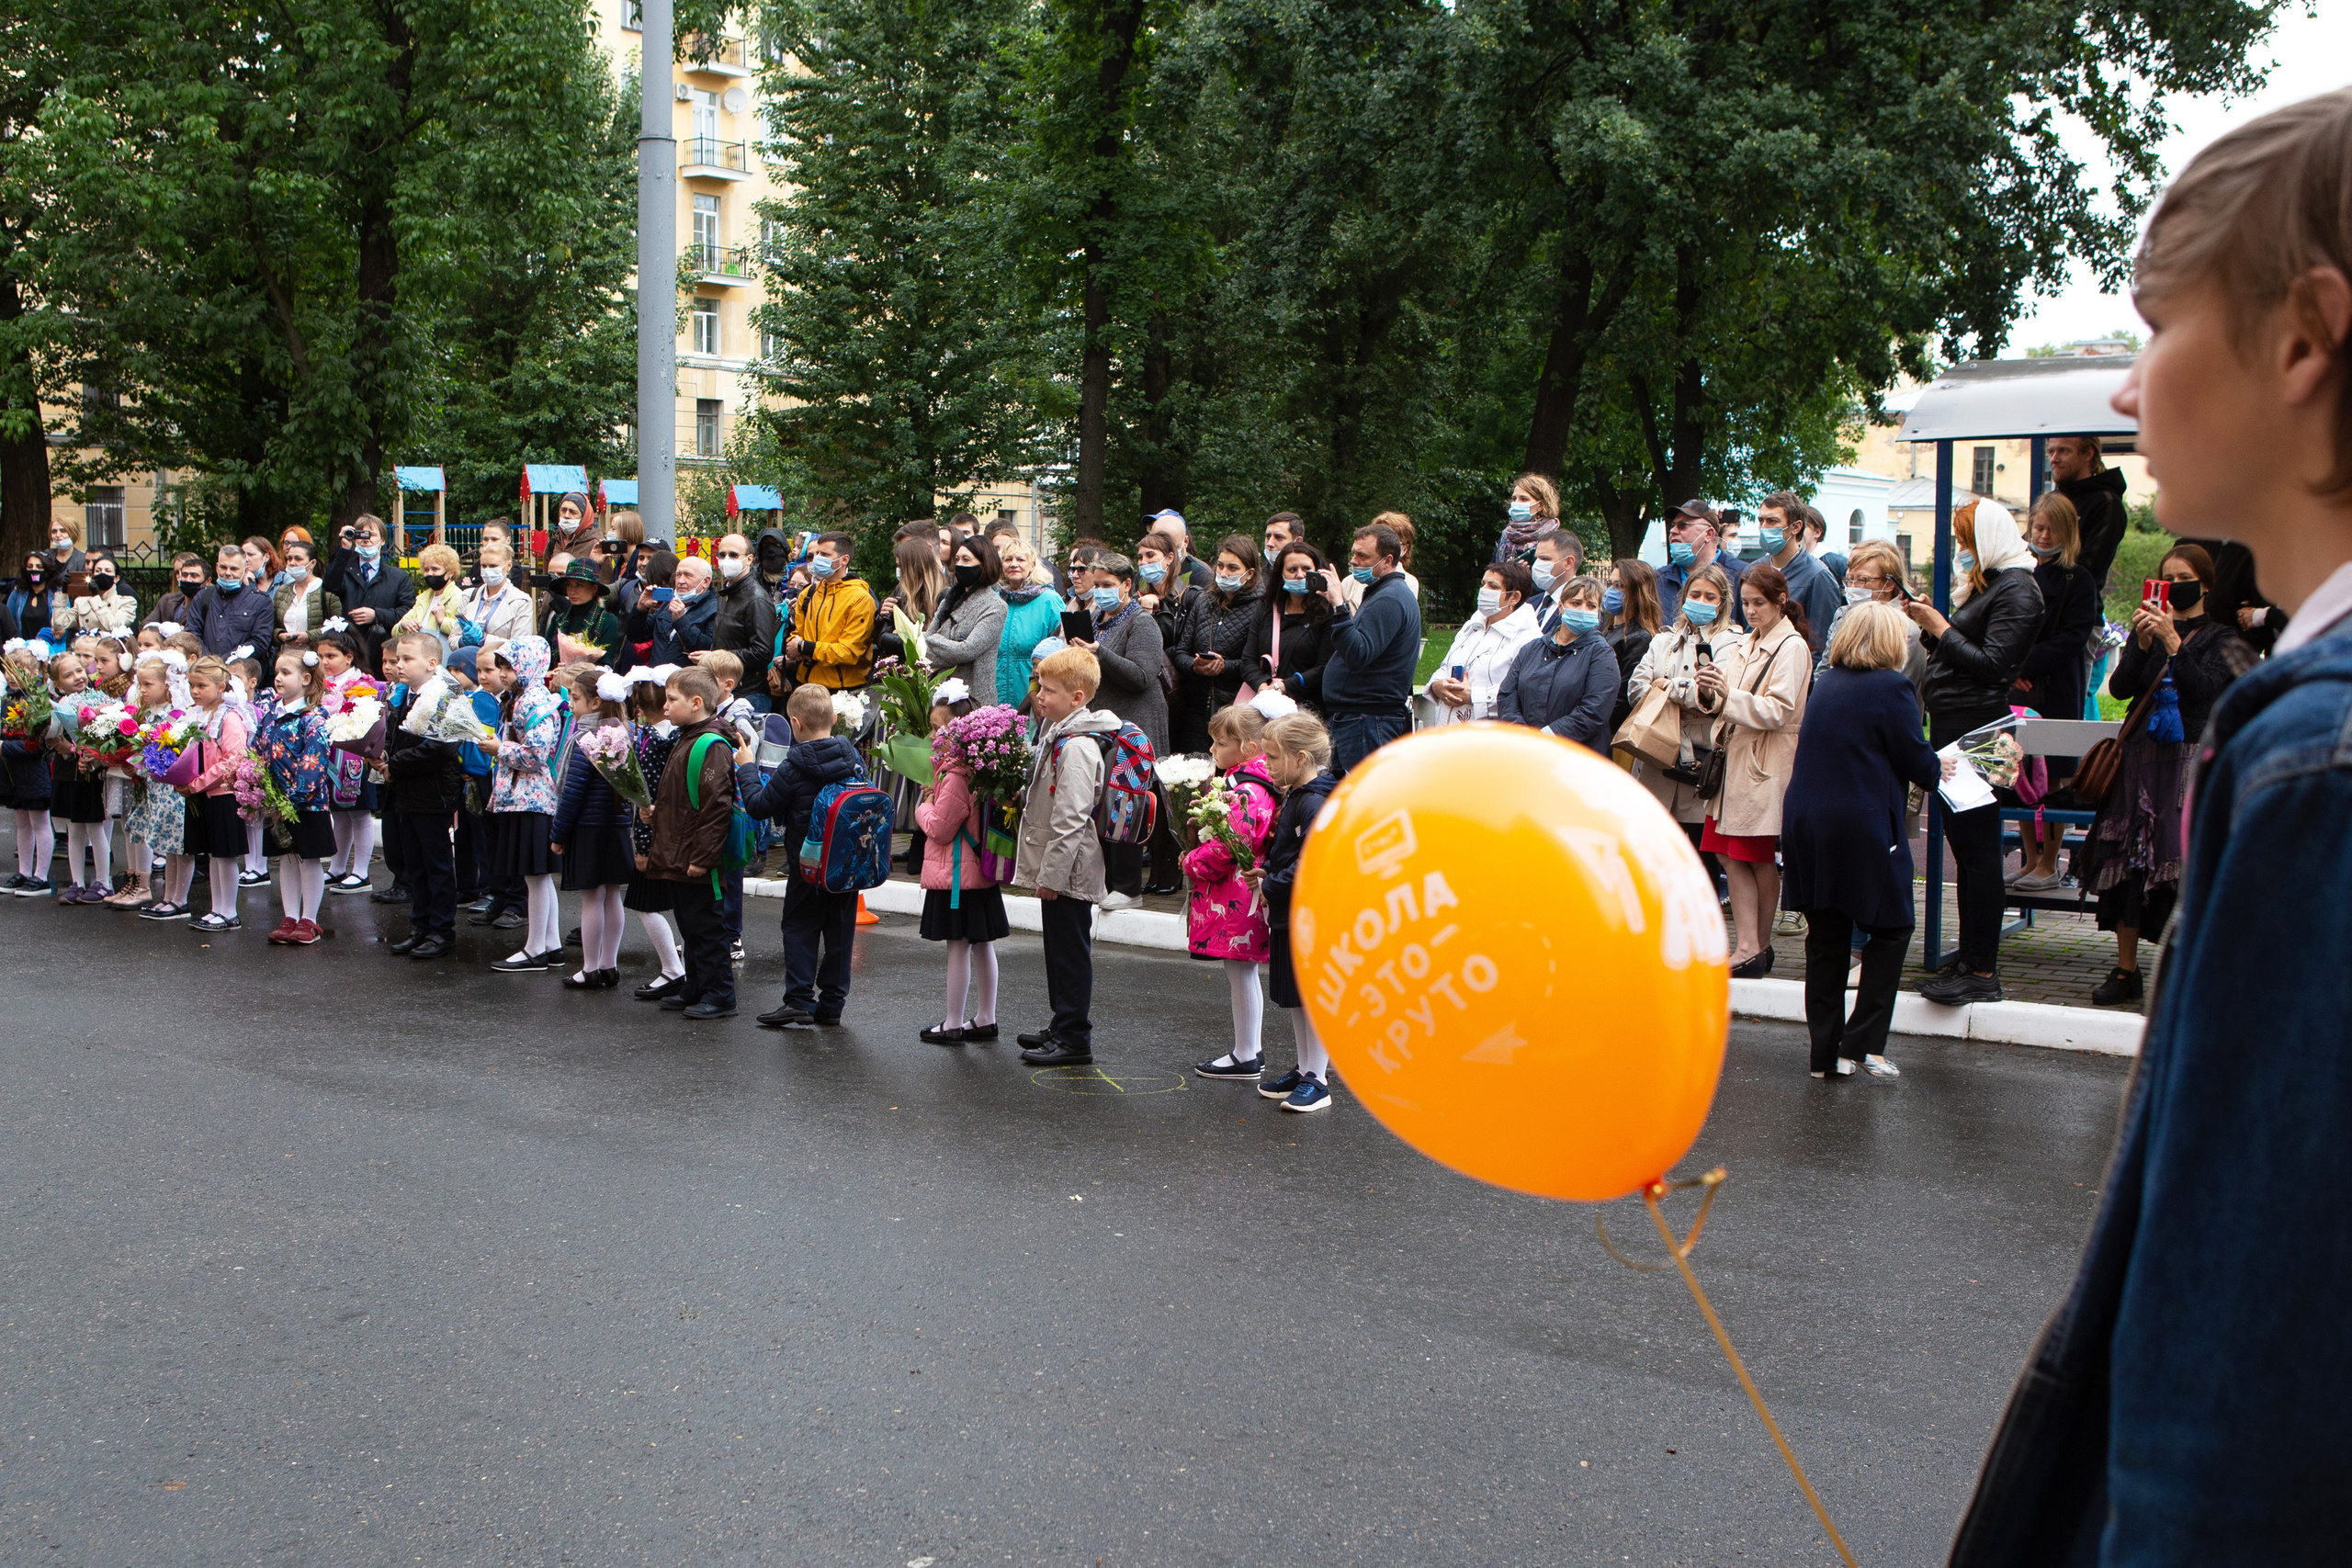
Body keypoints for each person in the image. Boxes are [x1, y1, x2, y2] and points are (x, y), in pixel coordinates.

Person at [1950, 88, 2352, 1562]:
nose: (2128, 393)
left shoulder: (2320, 756)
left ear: (2303, 337)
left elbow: (2249, 1331)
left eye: (2157, 326)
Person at [2077, 545, 2256, 1008]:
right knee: (2130, 863)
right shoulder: (2151, 632)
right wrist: (2141, 645)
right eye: (2167, 576)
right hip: (2141, 762)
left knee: (2183, 868)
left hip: (2188, 762)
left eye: (2184, 576)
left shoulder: (2221, 637)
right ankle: (2125, 969)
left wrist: (2175, 644)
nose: (2174, 584)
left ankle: (2188, 972)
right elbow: (2119, 689)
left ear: (2206, 585)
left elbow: (2206, 693)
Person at [1780, 603, 1944, 1077]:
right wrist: (1943, 765)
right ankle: (1862, 1040)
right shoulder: (1892, 687)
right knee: (1893, 927)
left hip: (1809, 823)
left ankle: (1823, 1055)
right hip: (1862, 824)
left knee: (1826, 938)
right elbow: (1919, 763)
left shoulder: (1826, 682)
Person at [1901, 497, 2041, 1005]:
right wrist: (1932, 628)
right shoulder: (1999, 585)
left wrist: (1941, 629)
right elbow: (1970, 652)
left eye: (1966, 542)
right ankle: (1970, 957)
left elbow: (1993, 665)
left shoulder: (2020, 590)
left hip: (1979, 731)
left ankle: (1982, 971)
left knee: (1979, 852)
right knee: (1966, 848)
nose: (1962, 552)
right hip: (1960, 725)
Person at [1695, 563, 1814, 976]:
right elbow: (1727, 699)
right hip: (1736, 763)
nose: (1751, 611)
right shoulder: (1748, 641)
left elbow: (1779, 710)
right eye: (1745, 603)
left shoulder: (1792, 647)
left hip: (1764, 762)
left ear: (1780, 601)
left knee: (1754, 855)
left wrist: (1726, 698)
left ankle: (1754, 946)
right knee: (1729, 854)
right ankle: (1751, 945)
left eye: (1758, 603)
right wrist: (1709, 691)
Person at [737, 682, 866, 1028]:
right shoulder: (853, 759)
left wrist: (747, 767)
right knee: (840, 931)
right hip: (845, 866)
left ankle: (798, 1000)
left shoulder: (794, 766)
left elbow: (760, 806)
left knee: (799, 927)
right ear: (835, 718)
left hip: (806, 865)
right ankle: (832, 1005)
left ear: (794, 723)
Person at [1013, 647, 1119, 1066]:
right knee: (1058, 949)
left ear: (1078, 697)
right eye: (1039, 685)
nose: (1040, 695)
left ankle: (1075, 1036)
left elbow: (1072, 817)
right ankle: (1062, 1023)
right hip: (1061, 866)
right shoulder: (1059, 731)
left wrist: (1052, 876)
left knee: (1070, 953)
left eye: (1050, 690)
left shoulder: (1076, 745)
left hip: (1069, 870)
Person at [2007, 493, 2102, 893]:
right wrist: (2011, 670)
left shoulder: (2078, 579)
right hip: (2019, 690)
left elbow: (2072, 638)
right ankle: (2030, 859)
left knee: (2056, 779)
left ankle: (2051, 861)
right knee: (2020, 773)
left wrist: (2025, 663)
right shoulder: (2018, 572)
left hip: (2057, 690)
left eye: (2051, 529)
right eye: (2038, 527)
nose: (2042, 536)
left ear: (2068, 533)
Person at [1247, 710, 1340, 1111]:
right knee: (1295, 997)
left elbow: (1314, 861)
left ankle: (1318, 1079)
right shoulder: (1300, 796)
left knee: (1311, 997)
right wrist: (1269, 871)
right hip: (1291, 910)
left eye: (1272, 757)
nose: (1266, 765)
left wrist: (1270, 883)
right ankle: (1305, 1069)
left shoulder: (1314, 801)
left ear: (1301, 758)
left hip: (1308, 914)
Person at [1185, 702, 1282, 1083]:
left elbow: (1231, 844)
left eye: (1220, 742)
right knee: (1241, 970)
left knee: (1241, 970)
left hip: (1240, 893)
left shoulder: (1246, 790)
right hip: (1244, 891)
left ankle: (1247, 1053)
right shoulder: (1253, 783)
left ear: (1247, 748)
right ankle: (1246, 1050)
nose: (1212, 750)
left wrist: (1192, 861)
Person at [641, 665, 740, 1020]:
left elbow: (716, 807)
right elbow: (684, 797)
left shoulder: (709, 744)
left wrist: (703, 857)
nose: (664, 706)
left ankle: (720, 995)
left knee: (707, 928)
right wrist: (657, 812)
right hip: (681, 852)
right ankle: (696, 986)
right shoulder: (688, 736)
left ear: (696, 702)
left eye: (671, 700)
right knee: (691, 927)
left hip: (696, 857)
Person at [912, 689, 1008, 1045]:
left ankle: (952, 1022)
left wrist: (923, 805)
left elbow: (940, 827)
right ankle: (985, 1017)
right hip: (978, 872)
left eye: (939, 728)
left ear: (958, 731)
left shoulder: (954, 775)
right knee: (982, 944)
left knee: (958, 945)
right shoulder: (977, 768)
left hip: (957, 875)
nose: (933, 736)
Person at [1072, 553, 1168, 906]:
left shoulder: (1141, 623)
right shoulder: (1095, 619)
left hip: (1134, 729)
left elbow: (1142, 676)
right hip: (1104, 725)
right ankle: (1105, 881)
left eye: (1107, 585)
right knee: (1101, 802)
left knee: (1125, 803)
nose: (1100, 592)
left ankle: (1128, 889)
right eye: (1096, 585)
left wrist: (1099, 654)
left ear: (1128, 585)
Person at [480, 637, 566, 973]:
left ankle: (535, 950)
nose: (502, 674)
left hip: (531, 798)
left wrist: (498, 748)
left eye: (507, 668)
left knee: (536, 876)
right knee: (537, 876)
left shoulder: (535, 702)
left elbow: (535, 755)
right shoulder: (521, 699)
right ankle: (551, 944)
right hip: (522, 797)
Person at [549, 666, 638, 989]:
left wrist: (559, 834)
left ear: (596, 703)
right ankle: (608, 965)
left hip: (588, 826)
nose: (570, 703)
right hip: (617, 826)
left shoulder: (585, 737)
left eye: (574, 697)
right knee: (612, 894)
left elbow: (573, 791)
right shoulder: (626, 731)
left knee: (592, 897)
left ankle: (589, 968)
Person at [1321, 522, 1422, 773]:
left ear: (1388, 560)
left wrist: (1339, 606)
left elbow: (1358, 654)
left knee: (1363, 800)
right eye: (1353, 553)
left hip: (1367, 719)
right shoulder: (1382, 593)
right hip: (1359, 717)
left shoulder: (1389, 598)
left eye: (1363, 556)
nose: (1354, 561)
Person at [254, 648, 340, 944]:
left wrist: (293, 798)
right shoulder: (270, 714)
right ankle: (290, 915)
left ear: (306, 678)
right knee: (287, 858)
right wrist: (257, 786)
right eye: (276, 672)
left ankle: (310, 919)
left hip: (306, 802)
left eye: (285, 673)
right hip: (275, 802)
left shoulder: (313, 718)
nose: (277, 678)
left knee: (309, 857)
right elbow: (257, 750)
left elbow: (314, 762)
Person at [621, 673, 690, 1001]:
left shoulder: (649, 741)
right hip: (682, 832)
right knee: (682, 903)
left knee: (644, 902)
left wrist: (643, 845)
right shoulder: (680, 735)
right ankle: (686, 967)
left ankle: (673, 969)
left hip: (657, 834)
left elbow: (645, 795)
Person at [1498, 574, 1618, 752]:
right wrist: (1521, 732)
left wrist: (1547, 736)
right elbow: (1507, 694)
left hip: (1577, 758)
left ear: (1599, 612)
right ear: (1561, 606)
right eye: (1576, 603)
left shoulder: (1601, 654)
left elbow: (1594, 710)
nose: (1583, 609)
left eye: (1591, 606)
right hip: (1525, 752)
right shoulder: (1532, 649)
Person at [1171, 535, 1265, 748]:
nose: (1223, 573)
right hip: (1195, 707)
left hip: (1236, 709)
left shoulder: (1262, 606)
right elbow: (1181, 652)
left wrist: (1225, 666)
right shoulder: (1203, 601)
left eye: (1233, 568)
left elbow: (1260, 663)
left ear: (1249, 573)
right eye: (1220, 566)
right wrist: (1195, 666)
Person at [182, 654, 252, 932]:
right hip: (204, 794)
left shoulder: (230, 717)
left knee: (225, 854)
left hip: (223, 794)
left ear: (221, 687)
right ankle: (216, 907)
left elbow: (231, 762)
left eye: (202, 685)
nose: (195, 691)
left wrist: (195, 783)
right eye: (192, 685)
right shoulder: (200, 715)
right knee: (213, 853)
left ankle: (230, 911)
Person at [1426, 560, 1540, 724]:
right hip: (1449, 731)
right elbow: (1446, 665)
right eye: (1483, 584)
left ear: (1514, 597)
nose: (1484, 590)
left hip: (1489, 736)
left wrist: (1474, 696)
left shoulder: (1529, 639)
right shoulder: (1472, 625)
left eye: (1493, 586)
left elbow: (1524, 692)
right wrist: (1437, 685)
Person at [120, 650, 190, 912]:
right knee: (168, 846)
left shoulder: (177, 714)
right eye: (140, 684)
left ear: (167, 684)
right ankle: (168, 897)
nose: (143, 689)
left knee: (179, 846)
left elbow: (176, 752)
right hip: (153, 788)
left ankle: (179, 899)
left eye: (148, 684)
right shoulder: (147, 713)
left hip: (172, 790)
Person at [1814, 541, 1927, 692]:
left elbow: (1897, 690)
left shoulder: (1904, 629)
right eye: (1849, 579)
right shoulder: (1844, 615)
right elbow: (1823, 671)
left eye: (1862, 580)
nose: (1853, 586)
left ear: (1888, 584)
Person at [1247, 543, 1345, 706]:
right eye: (1292, 570)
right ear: (1281, 574)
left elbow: (1325, 667)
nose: (1300, 575)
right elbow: (1248, 659)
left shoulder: (1329, 612)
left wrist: (1283, 686)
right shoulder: (1267, 608)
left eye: (1306, 569)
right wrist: (1263, 686)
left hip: (1308, 707)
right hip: (1266, 702)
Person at [781, 531, 875, 694]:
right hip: (805, 684)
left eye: (824, 554)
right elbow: (795, 636)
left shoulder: (859, 598)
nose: (817, 558)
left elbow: (849, 652)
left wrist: (805, 648)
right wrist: (796, 646)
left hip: (842, 690)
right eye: (816, 553)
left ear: (844, 560)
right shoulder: (808, 593)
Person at [322, 514, 414, 676]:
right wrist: (344, 549)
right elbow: (330, 585)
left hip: (383, 650)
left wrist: (376, 615)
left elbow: (407, 611)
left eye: (371, 535)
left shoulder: (398, 577)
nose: (366, 540)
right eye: (361, 535)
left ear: (383, 540)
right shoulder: (346, 570)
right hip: (351, 648)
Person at [924, 536, 1008, 704]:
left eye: (966, 559)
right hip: (941, 696)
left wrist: (930, 640)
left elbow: (966, 650)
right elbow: (927, 647)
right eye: (957, 559)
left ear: (984, 564)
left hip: (973, 700)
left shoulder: (995, 606)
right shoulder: (948, 600)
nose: (959, 564)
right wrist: (948, 645)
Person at [1756, 492, 1841, 648]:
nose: (1763, 527)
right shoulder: (1753, 571)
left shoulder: (1818, 577)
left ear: (1796, 527)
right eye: (1761, 521)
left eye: (1772, 521)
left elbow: (1820, 644)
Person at [2048, 434, 2130, 594]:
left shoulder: (2106, 503)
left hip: (2077, 609)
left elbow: (2089, 569)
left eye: (2064, 451)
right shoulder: (2055, 499)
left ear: (2088, 454)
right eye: (2051, 452)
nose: (2054, 459)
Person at [988, 536, 1062, 706]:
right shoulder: (995, 600)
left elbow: (1060, 652)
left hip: (1034, 698)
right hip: (995, 698)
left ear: (1033, 565)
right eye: (1008, 559)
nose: (1014, 564)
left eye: (1020, 559)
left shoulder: (1049, 601)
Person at [706, 533, 779, 699]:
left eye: (733, 555)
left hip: (748, 692)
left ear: (749, 559)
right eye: (722, 555)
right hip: (725, 689)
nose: (726, 560)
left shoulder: (756, 599)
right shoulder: (726, 593)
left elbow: (762, 652)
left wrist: (717, 658)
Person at [1655, 500, 1748, 627]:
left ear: (1709, 534)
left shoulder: (1742, 576)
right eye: (1673, 525)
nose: (1673, 531)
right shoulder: (1657, 580)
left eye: (1683, 525)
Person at [1599, 558, 1662, 734]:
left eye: (1620, 586)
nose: (1611, 591)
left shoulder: (1640, 637)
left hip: (1610, 731)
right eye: (1610, 584)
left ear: (1637, 592)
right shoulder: (1608, 629)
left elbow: (1624, 696)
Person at [874, 535, 946, 663]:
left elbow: (941, 643)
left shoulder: (945, 595)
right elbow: (882, 639)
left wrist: (902, 634)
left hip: (930, 672)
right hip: (900, 671)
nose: (899, 571)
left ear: (915, 567)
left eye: (901, 566)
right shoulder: (900, 591)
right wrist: (880, 617)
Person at [542, 559, 622, 668]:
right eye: (569, 585)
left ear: (594, 588)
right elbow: (545, 657)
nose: (572, 591)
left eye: (579, 585)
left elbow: (605, 664)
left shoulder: (607, 620)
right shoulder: (557, 619)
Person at [462, 540, 534, 651]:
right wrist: (463, 640)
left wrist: (484, 639)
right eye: (483, 566)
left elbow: (520, 646)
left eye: (493, 566)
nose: (487, 570)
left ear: (508, 566)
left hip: (499, 663)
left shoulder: (521, 601)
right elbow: (453, 638)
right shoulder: (469, 596)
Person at [269, 540, 341, 649]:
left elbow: (337, 627)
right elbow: (272, 626)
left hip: (316, 656)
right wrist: (280, 635)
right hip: (286, 656)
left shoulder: (327, 591)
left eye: (298, 559)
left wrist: (309, 636)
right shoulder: (282, 591)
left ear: (312, 563)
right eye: (289, 558)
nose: (292, 562)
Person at [650, 554, 718, 668]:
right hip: (656, 677)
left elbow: (707, 647)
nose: (681, 581)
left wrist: (681, 620)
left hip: (685, 679)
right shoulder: (670, 601)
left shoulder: (715, 609)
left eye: (688, 575)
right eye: (678, 575)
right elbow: (638, 635)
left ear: (705, 582)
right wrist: (640, 609)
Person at [53, 554, 136, 638]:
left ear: (116, 578)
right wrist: (63, 593)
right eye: (98, 571)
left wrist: (96, 598)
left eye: (108, 571)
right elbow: (59, 624)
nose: (102, 574)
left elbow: (113, 626)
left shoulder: (127, 602)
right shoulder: (81, 601)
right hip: (86, 648)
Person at [1493, 472, 1561, 565]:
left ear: (1540, 505)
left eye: (1524, 499)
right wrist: (1506, 570)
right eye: (1514, 499)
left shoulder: (1553, 539)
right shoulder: (1507, 535)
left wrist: (1522, 574)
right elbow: (1492, 571)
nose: (1516, 503)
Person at [145, 555, 210, 630]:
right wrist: (162, 629)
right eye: (184, 575)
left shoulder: (209, 604)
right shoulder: (166, 600)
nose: (188, 580)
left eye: (194, 576)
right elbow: (146, 624)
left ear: (207, 581)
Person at [9, 552, 62, 646]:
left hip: (50, 650)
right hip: (22, 652)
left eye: (39, 567)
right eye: (30, 566)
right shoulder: (17, 593)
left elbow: (63, 625)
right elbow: (9, 622)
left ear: (47, 570)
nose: (34, 570)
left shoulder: (58, 594)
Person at [42, 516, 86, 585]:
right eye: (54, 531)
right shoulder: (47, 556)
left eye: (63, 531)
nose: (58, 535)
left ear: (73, 533)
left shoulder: (82, 559)